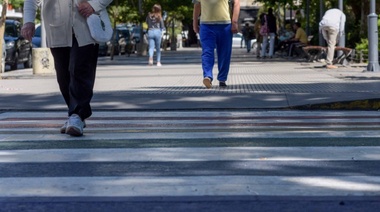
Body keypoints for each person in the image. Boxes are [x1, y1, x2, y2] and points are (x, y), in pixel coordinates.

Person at [21, 0, 113, 136]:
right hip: (56, 26)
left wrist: (94, 5)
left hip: (85, 24)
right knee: (63, 75)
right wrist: (28, 21)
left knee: (80, 69)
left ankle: (76, 114)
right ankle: (76, 115)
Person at [192, 0, 240, 88]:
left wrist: (234, 21)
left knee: (224, 53)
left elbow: (236, 2)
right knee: (207, 52)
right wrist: (195, 23)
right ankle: (207, 76)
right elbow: (197, 5)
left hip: (225, 25)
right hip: (206, 25)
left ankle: (222, 79)